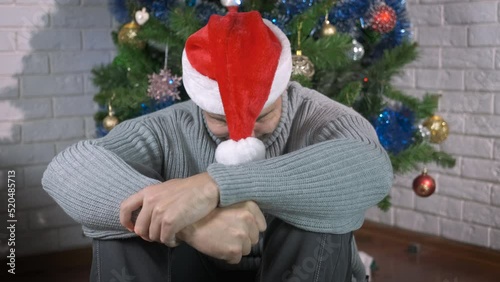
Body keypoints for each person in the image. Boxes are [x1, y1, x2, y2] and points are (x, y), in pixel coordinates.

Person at [42, 8, 392, 282]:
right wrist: (185, 222)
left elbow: (372, 167)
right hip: (191, 272)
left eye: (263, 114)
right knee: (132, 215)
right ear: (199, 102)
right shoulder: (168, 128)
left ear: (283, 90)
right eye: (221, 119)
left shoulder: (319, 116)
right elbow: (67, 167)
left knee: (319, 206)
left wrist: (211, 188)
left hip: (303, 265)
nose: (243, 133)